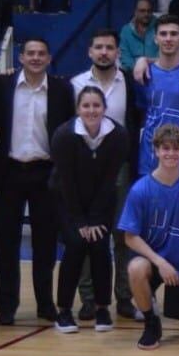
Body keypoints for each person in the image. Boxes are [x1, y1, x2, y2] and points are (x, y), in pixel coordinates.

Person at [0, 39, 73, 325]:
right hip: (9, 172)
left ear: (49, 58)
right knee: (5, 243)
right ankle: (6, 306)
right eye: (30, 53)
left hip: (46, 174)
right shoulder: (1, 85)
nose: (36, 58)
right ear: (21, 57)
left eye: (41, 53)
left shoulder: (62, 89)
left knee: (46, 244)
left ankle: (45, 303)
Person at [119, 124, 179, 350]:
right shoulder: (140, 189)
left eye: (177, 148)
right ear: (155, 150)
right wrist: (160, 262)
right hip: (157, 262)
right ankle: (151, 322)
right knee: (136, 268)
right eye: (165, 148)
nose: (171, 153)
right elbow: (130, 237)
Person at [50, 86, 128, 332]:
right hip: (68, 200)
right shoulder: (64, 135)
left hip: (101, 201)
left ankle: (103, 308)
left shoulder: (118, 135)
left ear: (104, 108)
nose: (91, 110)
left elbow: (109, 179)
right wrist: (81, 222)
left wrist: (94, 218)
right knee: (74, 246)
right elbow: (66, 181)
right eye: (86, 106)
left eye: (96, 106)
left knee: (100, 247)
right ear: (78, 109)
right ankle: (63, 311)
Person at [136, 15, 179, 176]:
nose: (168, 39)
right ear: (155, 39)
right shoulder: (144, 74)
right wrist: (143, 60)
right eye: (163, 34)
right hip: (152, 159)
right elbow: (139, 114)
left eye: (173, 34)